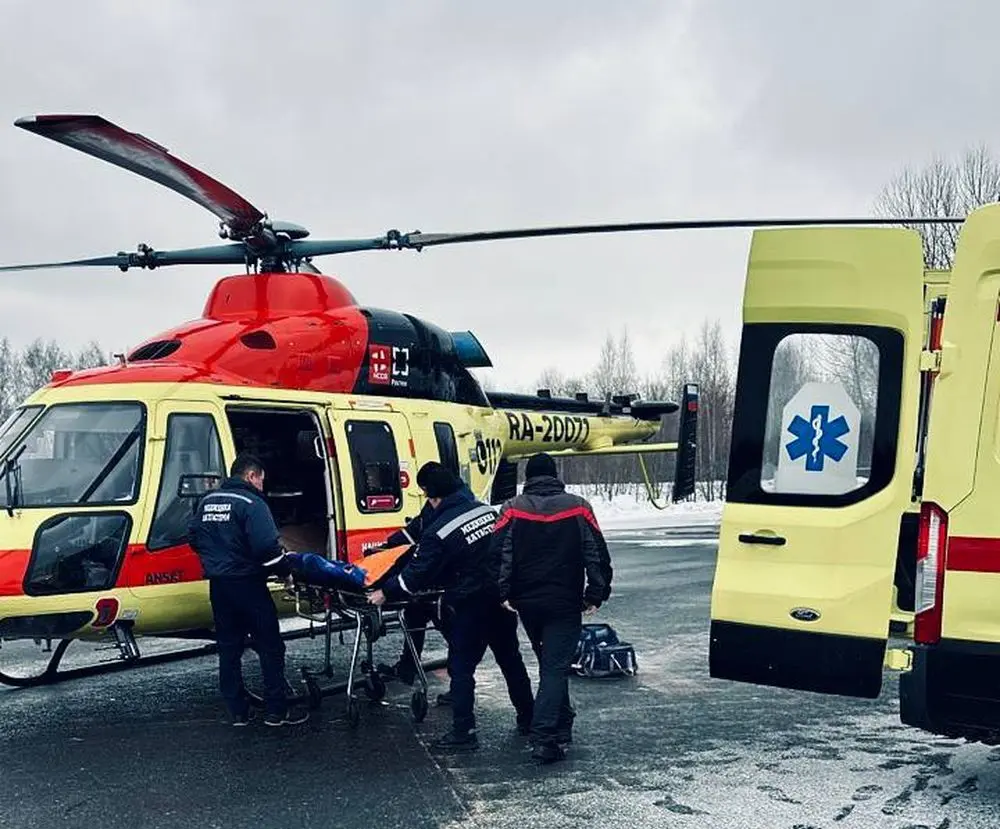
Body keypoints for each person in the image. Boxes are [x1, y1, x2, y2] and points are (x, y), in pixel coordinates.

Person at [368, 463, 534, 750]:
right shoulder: (487, 511)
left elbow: (415, 575)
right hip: (502, 598)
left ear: (433, 498)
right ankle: (528, 718)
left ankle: (463, 732)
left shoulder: (439, 531)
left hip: (471, 602)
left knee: (461, 667)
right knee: (510, 660)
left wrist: (385, 591)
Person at [491, 452, 612, 763]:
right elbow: (595, 552)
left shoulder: (511, 509)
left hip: (526, 602)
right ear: (554, 474)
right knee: (554, 667)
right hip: (564, 601)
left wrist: (503, 592)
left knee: (550, 663)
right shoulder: (579, 507)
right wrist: (596, 592)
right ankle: (544, 736)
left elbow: (498, 554)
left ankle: (563, 722)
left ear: (528, 477)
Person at [186, 452, 309, 728]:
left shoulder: (206, 501)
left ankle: (238, 712)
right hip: (249, 584)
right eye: (261, 481)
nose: (262, 486)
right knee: (270, 646)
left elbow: (193, 537)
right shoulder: (252, 503)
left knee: (229, 648)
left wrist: (216, 558)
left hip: (219, 586)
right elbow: (267, 548)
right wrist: (286, 572)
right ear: (251, 476)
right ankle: (276, 711)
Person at [373, 462, 460, 705]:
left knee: (452, 631)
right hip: (429, 580)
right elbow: (415, 528)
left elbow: (430, 552)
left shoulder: (452, 509)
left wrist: (388, 590)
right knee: (414, 615)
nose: (424, 496)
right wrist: (388, 546)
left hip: (447, 583)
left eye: (424, 490)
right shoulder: (437, 501)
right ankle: (407, 667)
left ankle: (459, 684)